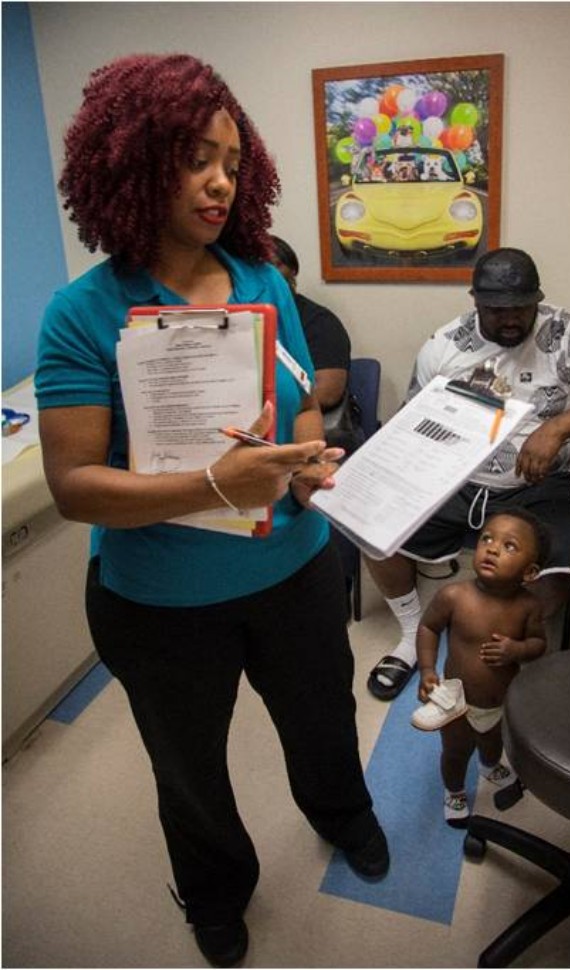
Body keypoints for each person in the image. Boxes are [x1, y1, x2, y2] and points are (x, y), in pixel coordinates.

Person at [35, 53, 388, 969]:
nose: (220, 181)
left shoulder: (263, 275)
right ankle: (216, 891)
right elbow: (74, 486)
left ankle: (344, 816)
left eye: (232, 160)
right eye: (195, 158)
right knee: (187, 768)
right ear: (135, 163)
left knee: (322, 720)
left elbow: (304, 404)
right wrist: (216, 485)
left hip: (294, 573)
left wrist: (307, 466)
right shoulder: (81, 314)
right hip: (160, 605)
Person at [366, 247, 570, 701]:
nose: (512, 319)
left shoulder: (567, 334)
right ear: (475, 302)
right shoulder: (445, 344)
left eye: (523, 307)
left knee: (562, 563)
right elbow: (412, 419)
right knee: (369, 519)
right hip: (455, 478)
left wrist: (558, 427)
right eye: (498, 311)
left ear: (538, 299)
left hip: (536, 487)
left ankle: (510, 646)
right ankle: (411, 633)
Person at [410, 510, 548, 826]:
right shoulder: (454, 596)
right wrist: (427, 669)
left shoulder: (528, 607)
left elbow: (539, 645)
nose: (492, 548)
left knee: (493, 740)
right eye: (487, 538)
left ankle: (488, 764)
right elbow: (428, 628)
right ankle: (455, 791)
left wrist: (516, 649)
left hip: (501, 701)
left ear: (529, 572)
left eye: (509, 546)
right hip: (456, 702)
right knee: (456, 752)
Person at [268, 235, 364, 455]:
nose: (268, 275)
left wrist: (273, 405)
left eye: (275, 265)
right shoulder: (248, 318)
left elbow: (329, 392)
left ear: (293, 272)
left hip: (317, 434)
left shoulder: (318, 321)